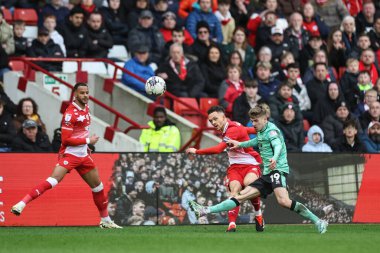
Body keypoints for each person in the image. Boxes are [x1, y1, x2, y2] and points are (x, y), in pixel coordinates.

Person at [188, 104, 328, 234]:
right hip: (267, 173)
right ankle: (204, 210)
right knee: (239, 196)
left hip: (276, 170)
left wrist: (274, 157)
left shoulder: (272, 131)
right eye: (252, 121)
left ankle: (318, 221)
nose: (253, 125)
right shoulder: (261, 131)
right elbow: (255, 141)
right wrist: (240, 144)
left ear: (264, 119)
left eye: (255, 121)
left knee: (283, 201)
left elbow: (277, 145)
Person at [11, 82, 122, 229]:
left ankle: (105, 220)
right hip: (70, 155)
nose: (85, 95)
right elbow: (66, 139)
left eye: (87, 92)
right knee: (53, 181)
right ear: (75, 94)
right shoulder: (70, 114)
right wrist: (89, 140)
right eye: (82, 93)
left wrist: (86, 147)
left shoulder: (86, 108)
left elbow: (81, 131)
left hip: (84, 156)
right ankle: (21, 204)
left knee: (98, 187)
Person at [186, 105, 264, 232]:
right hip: (235, 167)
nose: (213, 123)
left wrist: (197, 151)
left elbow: (218, 149)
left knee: (249, 184)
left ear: (224, 117)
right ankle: (232, 224)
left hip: (251, 164)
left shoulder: (232, 129)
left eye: (216, 119)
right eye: (211, 121)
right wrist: (258, 130)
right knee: (234, 191)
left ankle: (258, 214)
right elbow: (246, 130)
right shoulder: (230, 127)